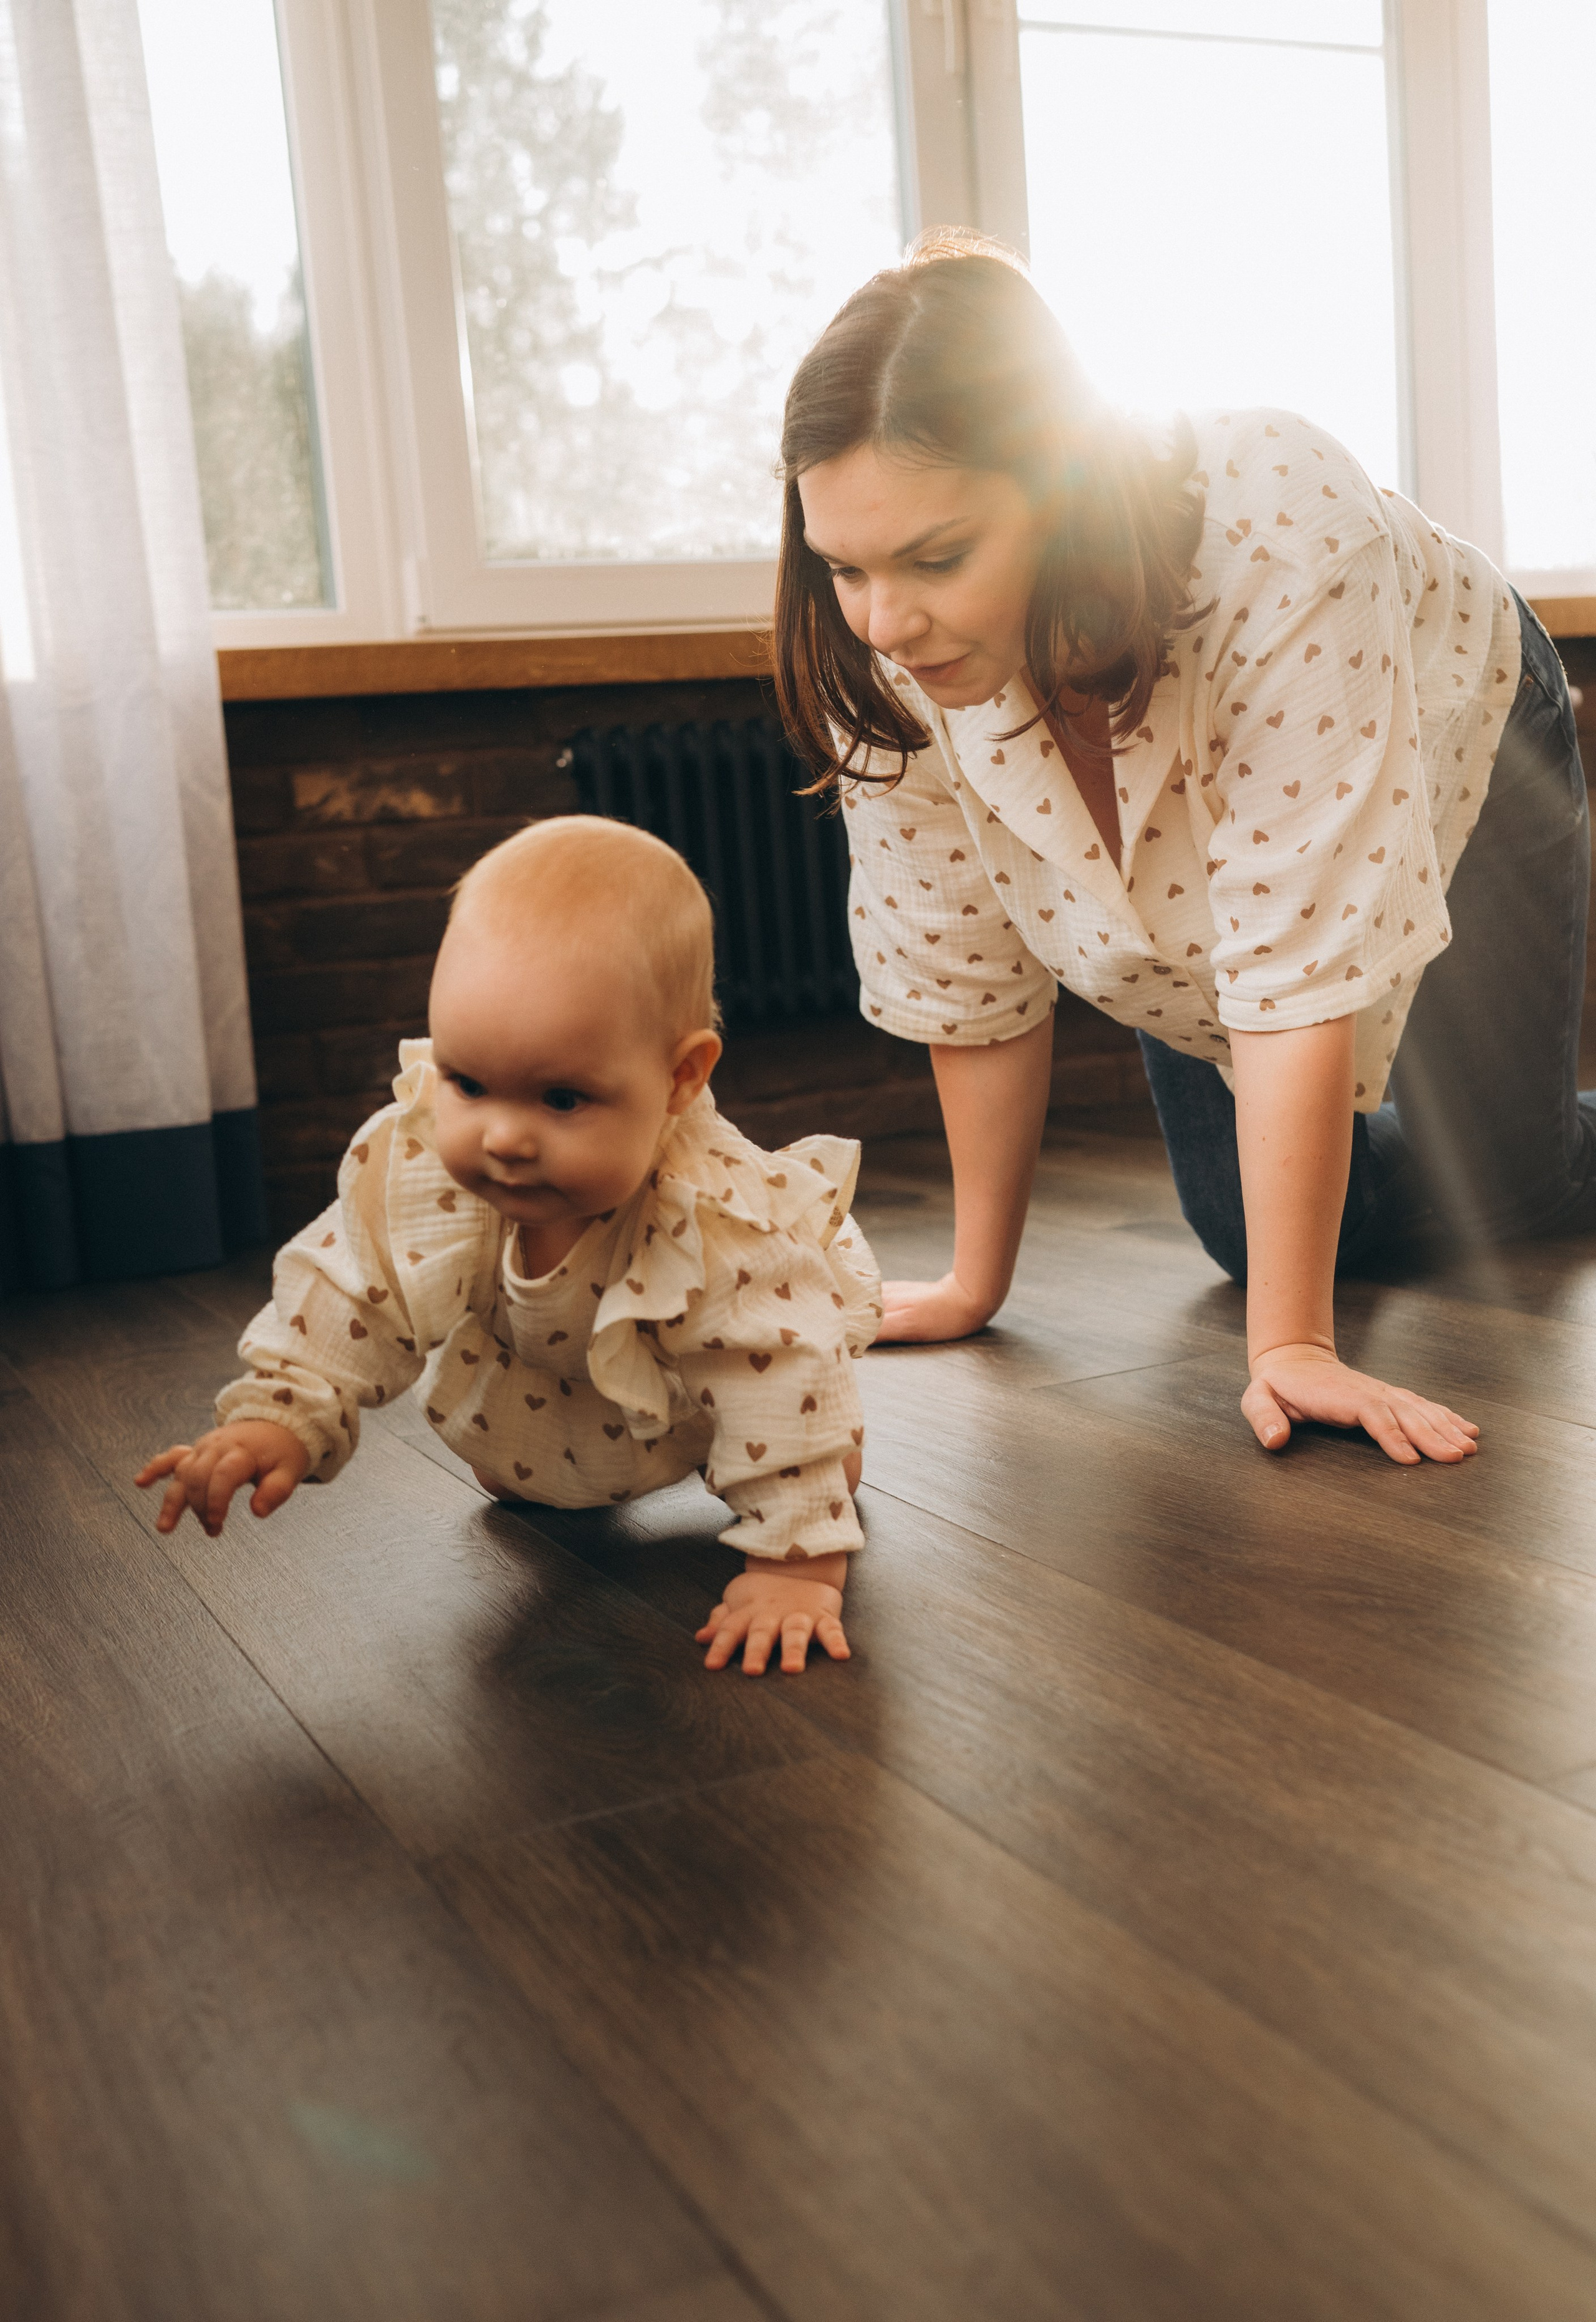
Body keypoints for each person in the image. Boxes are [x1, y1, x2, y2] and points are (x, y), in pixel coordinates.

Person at [773, 233, 1593, 1466]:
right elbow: (964, 969)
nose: (885, 622)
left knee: (1510, 1186)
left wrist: (1289, 1348)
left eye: (937, 558)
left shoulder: (1278, 526)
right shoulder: (881, 652)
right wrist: (967, 1283)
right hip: (1219, 870)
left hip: (1455, 726)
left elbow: (1289, 953)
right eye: (844, 566)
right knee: (1241, 1228)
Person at [136, 817, 882, 1675]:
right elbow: (351, 1289)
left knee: (791, 1413)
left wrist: (797, 1570)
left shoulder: (713, 1225)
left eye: (561, 1098)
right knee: (520, 1484)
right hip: (542, 1378)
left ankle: (813, 1482)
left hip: (695, 1389)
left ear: (680, 1077)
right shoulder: (427, 1164)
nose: (502, 1138)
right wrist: (281, 1417)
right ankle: (566, 1453)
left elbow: (777, 1367)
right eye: (469, 1082)